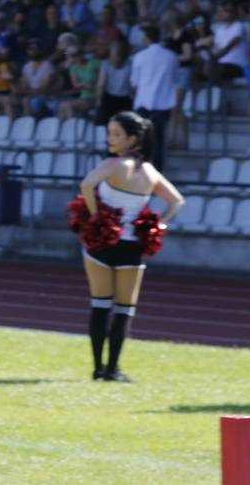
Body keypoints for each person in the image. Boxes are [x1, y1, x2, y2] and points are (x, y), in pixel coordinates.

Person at [78, 112, 184, 382]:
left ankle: (98, 368)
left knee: (100, 304)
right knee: (124, 308)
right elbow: (177, 201)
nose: (110, 139)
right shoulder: (149, 172)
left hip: (101, 244)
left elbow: (86, 184)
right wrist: (158, 224)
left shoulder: (113, 165)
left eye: (116, 134)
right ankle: (113, 369)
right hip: (131, 247)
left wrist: (95, 216)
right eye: (110, 132)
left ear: (132, 139)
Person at [129, 25, 178, 170]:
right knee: (159, 140)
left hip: (143, 102)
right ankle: (157, 172)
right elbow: (174, 79)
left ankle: (139, 170)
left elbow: (134, 83)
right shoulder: (171, 56)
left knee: (140, 140)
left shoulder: (139, 56)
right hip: (163, 104)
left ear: (146, 38)